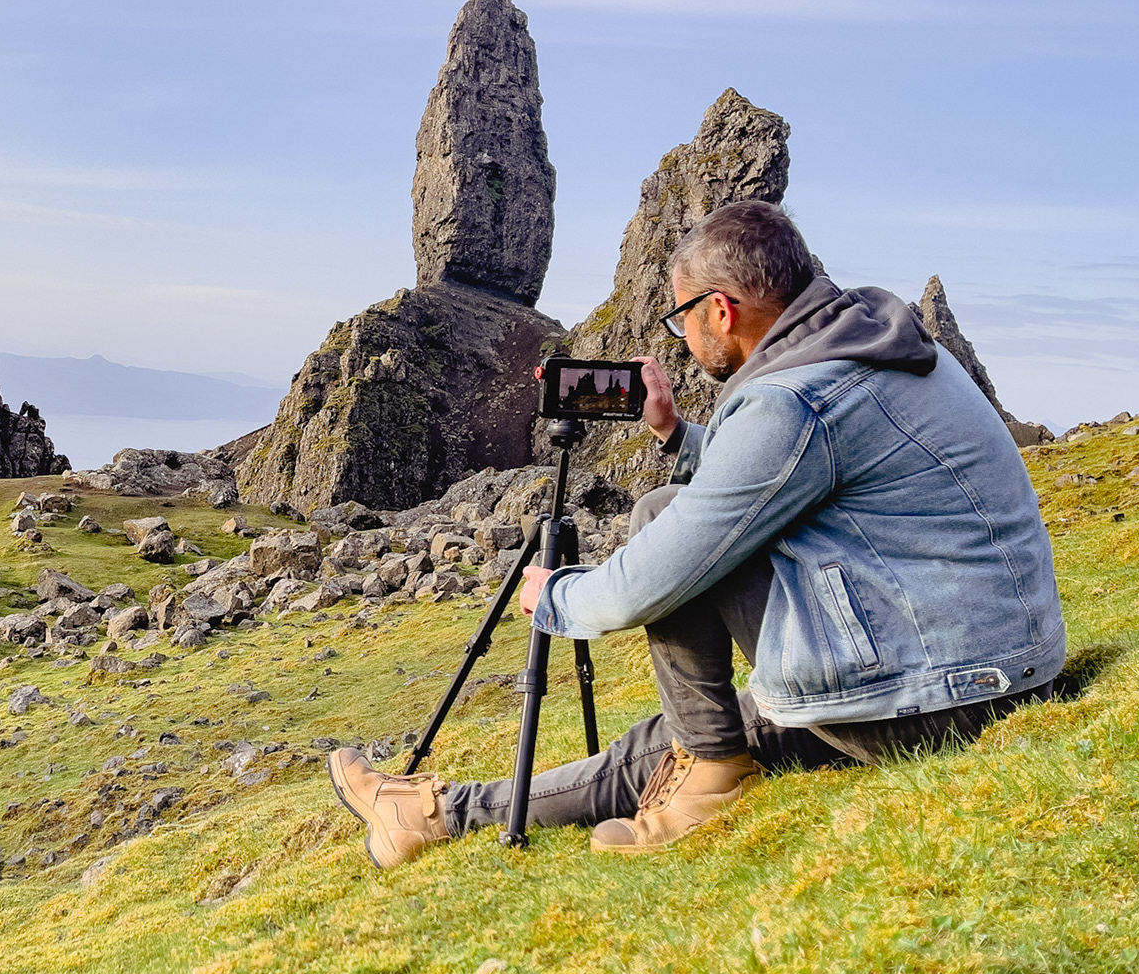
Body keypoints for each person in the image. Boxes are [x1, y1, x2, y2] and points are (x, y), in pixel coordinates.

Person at [327, 200, 1064, 866]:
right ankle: (432, 812)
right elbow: (790, 469)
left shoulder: (794, 400)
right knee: (677, 744)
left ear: (721, 310)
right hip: (998, 664)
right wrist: (676, 433)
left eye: (681, 317)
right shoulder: (875, 345)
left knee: (660, 526)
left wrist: (556, 598)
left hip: (939, 699)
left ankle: (694, 779)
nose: (681, 336)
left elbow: (657, 574)